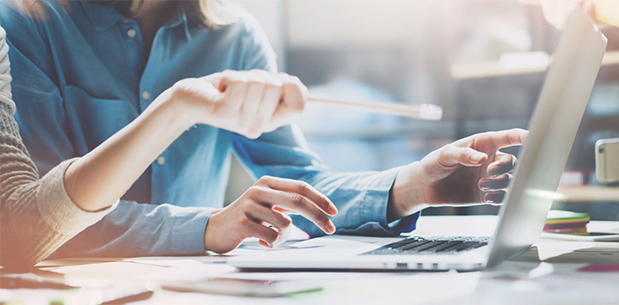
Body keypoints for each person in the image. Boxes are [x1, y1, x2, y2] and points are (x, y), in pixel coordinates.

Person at [0, 0, 526, 258]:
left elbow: (295, 180)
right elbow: (37, 218)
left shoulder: (234, 35)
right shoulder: (22, 24)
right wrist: (207, 227)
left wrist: (414, 186)